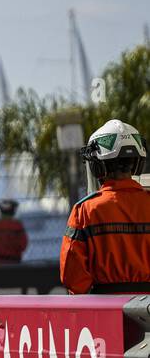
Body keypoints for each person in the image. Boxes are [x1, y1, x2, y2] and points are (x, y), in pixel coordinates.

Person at [60, 119, 150, 294]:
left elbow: (73, 277)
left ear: (97, 166)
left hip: (106, 311)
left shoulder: (84, 211)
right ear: (136, 163)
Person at [0, 199, 29, 264]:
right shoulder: (17, 225)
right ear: (13, 211)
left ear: (0, 211)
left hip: (1, 260)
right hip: (16, 260)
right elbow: (23, 245)